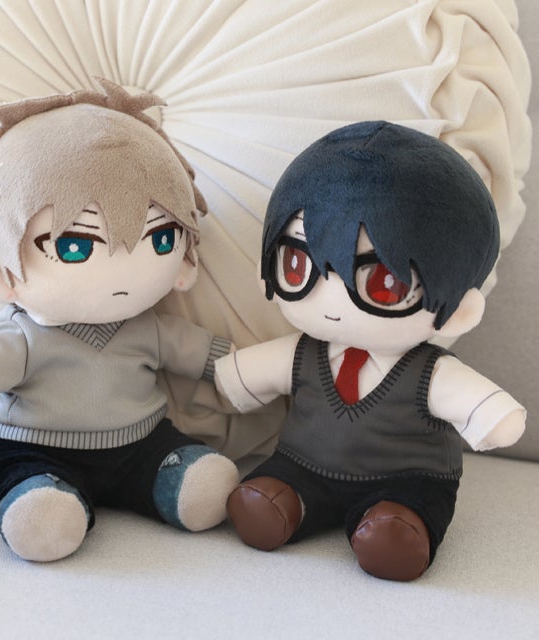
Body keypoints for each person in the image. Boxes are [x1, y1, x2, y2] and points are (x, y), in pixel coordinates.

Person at [0, 79, 239, 562]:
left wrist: (239, 368)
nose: (122, 270)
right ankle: (43, 503)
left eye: (161, 240)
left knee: (202, 486)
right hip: (35, 449)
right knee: (41, 519)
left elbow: (196, 351)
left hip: (141, 443)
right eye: (74, 246)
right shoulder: (24, 335)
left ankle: (174, 483)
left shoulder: (147, 327)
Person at [215, 121, 526, 581]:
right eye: (298, 265)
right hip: (302, 465)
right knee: (267, 496)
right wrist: (225, 376)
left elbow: (492, 416)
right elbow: (239, 378)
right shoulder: (302, 353)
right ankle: (282, 506)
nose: (332, 300)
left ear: (459, 308)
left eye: (383, 282)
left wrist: (495, 418)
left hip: (408, 481)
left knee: (400, 523)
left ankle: (396, 532)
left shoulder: (428, 374)